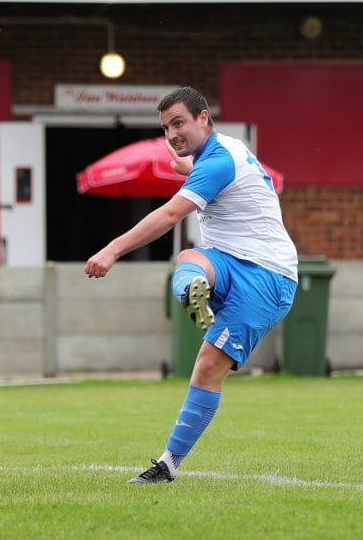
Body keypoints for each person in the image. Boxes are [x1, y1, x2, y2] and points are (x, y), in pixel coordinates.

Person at [84, 86, 298, 484]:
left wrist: (112, 250)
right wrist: (187, 166)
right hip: (231, 261)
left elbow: (169, 215)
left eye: (178, 122)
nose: (172, 134)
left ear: (204, 119)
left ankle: (167, 465)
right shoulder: (219, 152)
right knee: (188, 260)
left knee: (206, 368)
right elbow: (208, 168)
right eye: (166, 127)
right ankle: (192, 294)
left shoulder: (218, 162)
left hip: (268, 276)